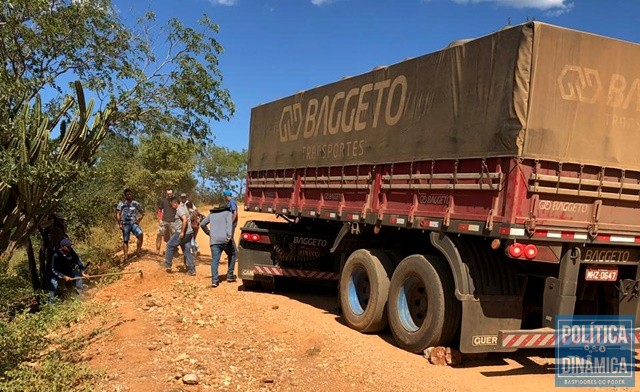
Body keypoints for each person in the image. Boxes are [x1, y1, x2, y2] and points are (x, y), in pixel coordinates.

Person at [200, 205, 237, 287]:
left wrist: (208, 233)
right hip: (225, 240)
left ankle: (214, 280)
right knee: (233, 254)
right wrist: (229, 236)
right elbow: (229, 225)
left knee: (215, 260)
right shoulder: (227, 213)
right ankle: (230, 275)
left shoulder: (211, 215)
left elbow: (202, 224)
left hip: (214, 240)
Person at [48, 238, 88, 303]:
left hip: (68, 270)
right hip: (57, 273)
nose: (70, 247)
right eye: (68, 246)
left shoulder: (72, 251)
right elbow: (53, 269)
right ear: (63, 247)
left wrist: (82, 272)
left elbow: (79, 261)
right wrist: (64, 276)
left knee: (78, 276)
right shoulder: (56, 255)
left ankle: (80, 296)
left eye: (70, 246)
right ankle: (50, 304)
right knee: (53, 285)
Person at [164, 196, 196, 275]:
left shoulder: (179, 209)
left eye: (172, 204)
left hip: (182, 233)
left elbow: (184, 219)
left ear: (175, 203)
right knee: (186, 250)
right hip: (189, 233)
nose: (171, 206)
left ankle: (168, 265)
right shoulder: (183, 207)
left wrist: (182, 232)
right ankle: (192, 270)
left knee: (169, 245)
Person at [116, 188, 145, 261]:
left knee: (140, 234)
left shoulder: (135, 203)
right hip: (125, 224)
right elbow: (118, 214)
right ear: (125, 196)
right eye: (127, 194)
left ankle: (138, 251)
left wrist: (139, 220)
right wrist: (119, 224)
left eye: (130, 194)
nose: (129, 196)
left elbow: (142, 212)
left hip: (133, 224)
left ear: (132, 195)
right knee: (126, 240)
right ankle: (126, 257)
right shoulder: (121, 203)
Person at [156, 188, 176, 254]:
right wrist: (160, 219)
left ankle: (172, 251)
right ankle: (157, 250)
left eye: (170, 194)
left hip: (173, 221)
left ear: (172, 193)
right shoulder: (163, 201)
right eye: (168, 194)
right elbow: (159, 210)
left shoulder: (175, 200)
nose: (169, 195)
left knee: (173, 237)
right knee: (159, 234)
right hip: (164, 221)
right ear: (166, 194)